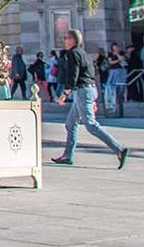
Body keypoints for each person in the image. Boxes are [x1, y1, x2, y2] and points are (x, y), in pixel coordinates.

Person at [52, 29, 129, 169]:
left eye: (66, 38)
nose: (64, 40)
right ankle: (67, 156)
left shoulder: (73, 54)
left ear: (73, 40)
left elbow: (73, 75)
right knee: (71, 123)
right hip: (87, 90)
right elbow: (90, 73)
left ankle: (119, 149)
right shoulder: (84, 54)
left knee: (91, 125)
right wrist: (92, 98)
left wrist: (65, 93)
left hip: (82, 91)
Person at [105, 45, 128, 118]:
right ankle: (112, 100)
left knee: (122, 85)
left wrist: (117, 54)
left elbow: (122, 59)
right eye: (115, 47)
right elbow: (111, 62)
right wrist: (118, 60)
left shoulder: (121, 53)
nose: (116, 48)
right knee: (112, 85)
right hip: (113, 70)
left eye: (117, 47)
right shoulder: (110, 54)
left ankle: (124, 98)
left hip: (120, 71)